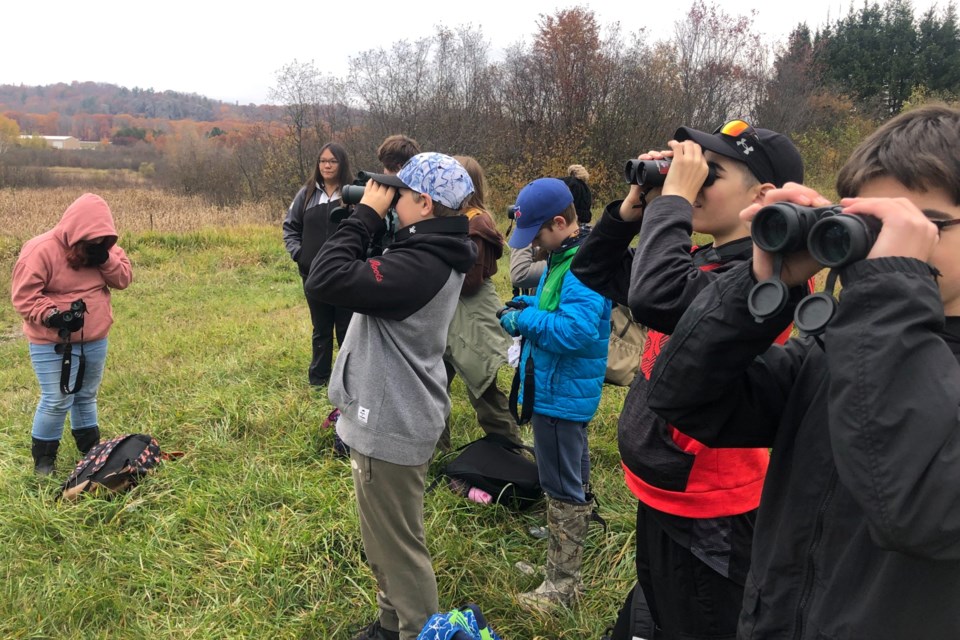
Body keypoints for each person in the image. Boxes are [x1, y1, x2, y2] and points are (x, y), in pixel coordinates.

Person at [646, 104, 960, 638]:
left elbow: (917, 508)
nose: (884, 247)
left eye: (920, 225)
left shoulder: (874, 329)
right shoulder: (846, 344)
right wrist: (757, 291)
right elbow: (688, 397)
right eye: (870, 223)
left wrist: (888, 295)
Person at [571, 120, 803, 639]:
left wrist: (671, 202)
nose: (691, 185)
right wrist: (633, 209)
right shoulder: (705, 258)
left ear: (761, 196)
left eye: (708, 175)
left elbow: (656, 296)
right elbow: (592, 270)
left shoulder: (771, 281)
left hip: (711, 508)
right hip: (664, 493)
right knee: (659, 612)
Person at [305, 152, 477, 640]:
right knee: (382, 538)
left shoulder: (420, 265)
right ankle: (390, 622)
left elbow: (326, 279)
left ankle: (419, 629)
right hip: (389, 413)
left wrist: (365, 216)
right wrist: (375, 220)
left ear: (423, 203)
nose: (389, 201)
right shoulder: (430, 251)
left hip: (392, 421)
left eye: (397, 195)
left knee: (399, 547)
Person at [498, 177, 612, 609]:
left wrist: (522, 324)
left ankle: (562, 587)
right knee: (566, 475)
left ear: (560, 222)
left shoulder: (580, 265)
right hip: (555, 390)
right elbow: (557, 310)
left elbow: (577, 330)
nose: (534, 245)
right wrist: (525, 306)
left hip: (561, 395)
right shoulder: (566, 256)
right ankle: (559, 557)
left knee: (562, 485)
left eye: (537, 235)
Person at [11, 193, 133, 475]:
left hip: (94, 339)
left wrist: (104, 258)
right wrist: (53, 315)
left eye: (101, 241)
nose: (95, 246)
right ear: (75, 232)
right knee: (56, 399)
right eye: (91, 242)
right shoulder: (39, 250)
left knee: (86, 396)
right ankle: (44, 465)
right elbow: (24, 296)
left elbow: (123, 280)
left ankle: (90, 456)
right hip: (51, 342)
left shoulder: (106, 251)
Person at [438, 155, 521, 451]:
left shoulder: (475, 221)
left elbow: (470, 280)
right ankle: (437, 452)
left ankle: (510, 455)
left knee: (483, 389)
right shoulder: (455, 218)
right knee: (434, 387)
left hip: (471, 317)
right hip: (449, 317)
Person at [282, 142, 353, 387]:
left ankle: (347, 381)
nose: (326, 165)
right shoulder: (307, 194)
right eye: (323, 161)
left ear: (341, 163)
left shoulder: (353, 194)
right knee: (321, 328)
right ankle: (318, 380)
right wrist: (299, 254)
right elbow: (290, 228)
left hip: (346, 274)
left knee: (347, 330)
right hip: (313, 274)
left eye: (332, 161)